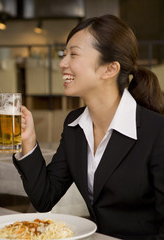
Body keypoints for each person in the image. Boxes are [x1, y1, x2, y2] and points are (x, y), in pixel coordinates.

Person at [14, 14, 164, 239]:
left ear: (109, 69)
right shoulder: (75, 125)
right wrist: (29, 141)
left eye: (73, 54)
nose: (62, 63)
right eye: (64, 54)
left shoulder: (157, 132)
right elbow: (44, 198)